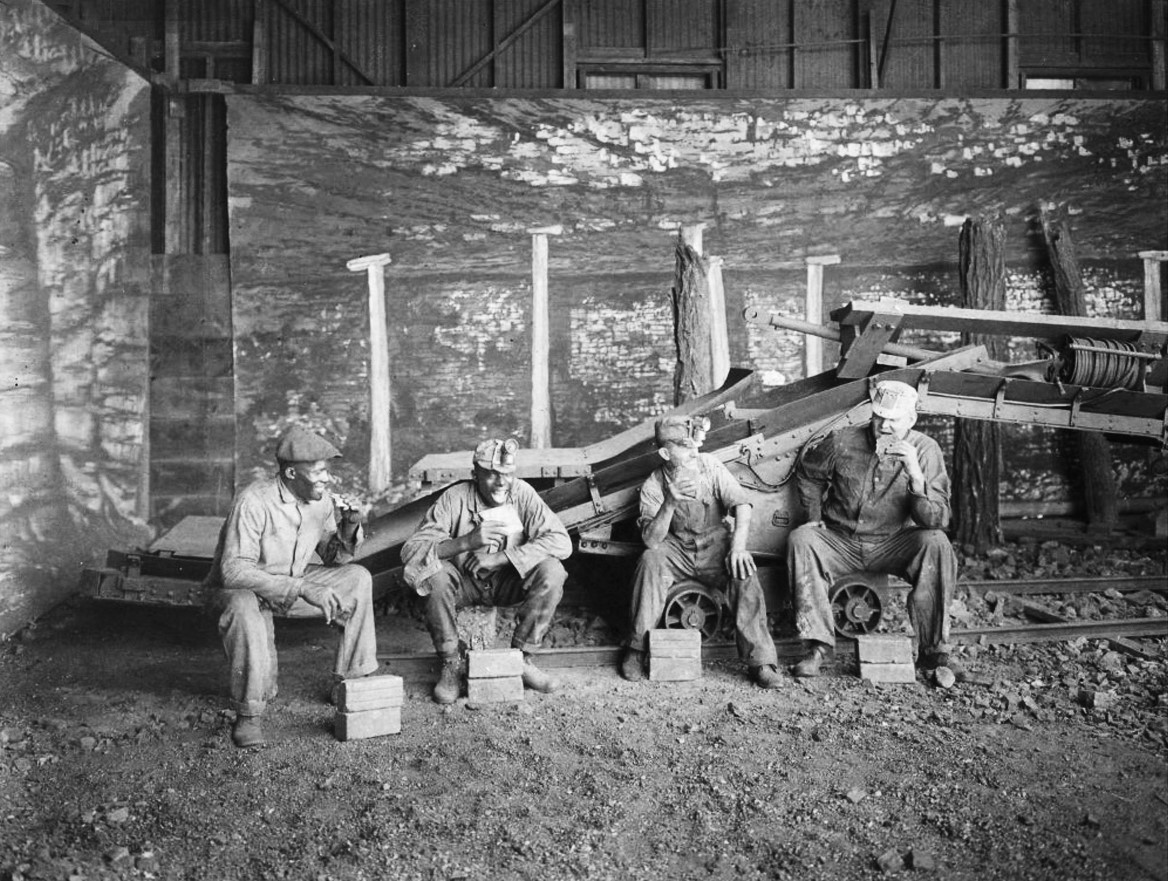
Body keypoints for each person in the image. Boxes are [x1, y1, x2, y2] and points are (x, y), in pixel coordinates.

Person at [204, 426, 378, 748]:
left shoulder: (321, 501)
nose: (327, 479)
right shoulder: (254, 500)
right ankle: (249, 715)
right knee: (244, 611)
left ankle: (349, 683)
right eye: (320, 471)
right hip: (243, 592)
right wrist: (301, 587)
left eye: (328, 470)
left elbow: (333, 559)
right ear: (291, 472)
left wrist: (350, 524)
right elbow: (232, 571)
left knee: (357, 579)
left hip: (289, 588)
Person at [787, 379, 959, 680]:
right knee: (802, 538)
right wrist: (813, 515)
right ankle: (817, 648)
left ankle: (934, 652)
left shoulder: (926, 449)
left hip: (894, 543)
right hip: (840, 540)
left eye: (893, 420)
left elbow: (936, 519)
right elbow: (808, 472)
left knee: (937, 542)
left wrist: (916, 477)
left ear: (911, 419)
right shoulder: (842, 440)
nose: (884, 426)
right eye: (879, 416)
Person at [400, 438, 571, 704]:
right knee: (434, 577)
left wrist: (503, 558)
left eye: (507, 474)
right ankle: (450, 663)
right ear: (474, 474)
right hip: (463, 586)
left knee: (552, 570)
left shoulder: (522, 493)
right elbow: (411, 551)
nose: (501, 482)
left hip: (507, 583)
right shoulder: (454, 498)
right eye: (492, 474)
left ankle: (522, 659)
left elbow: (561, 541)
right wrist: (465, 542)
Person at [620, 415, 783, 689]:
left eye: (694, 444)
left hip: (715, 547)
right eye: (684, 446)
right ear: (665, 452)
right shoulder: (654, 484)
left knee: (744, 571)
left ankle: (762, 661)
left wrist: (738, 548)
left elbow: (742, 505)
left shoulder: (710, 466)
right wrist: (669, 503)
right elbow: (651, 540)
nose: (694, 451)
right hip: (676, 550)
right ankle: (636, 650)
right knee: (649, 560)